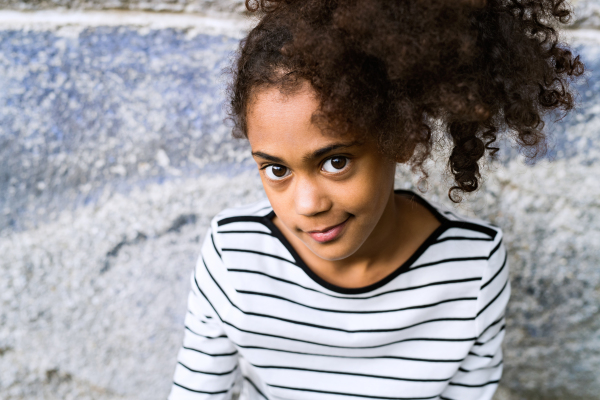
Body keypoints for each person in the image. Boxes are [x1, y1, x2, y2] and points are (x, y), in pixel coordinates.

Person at [168, 0, 584, 399]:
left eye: (335, 161)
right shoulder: (234, 254)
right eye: (277, 170)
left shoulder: (472, 266)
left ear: (397, 138)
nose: (308, 204)